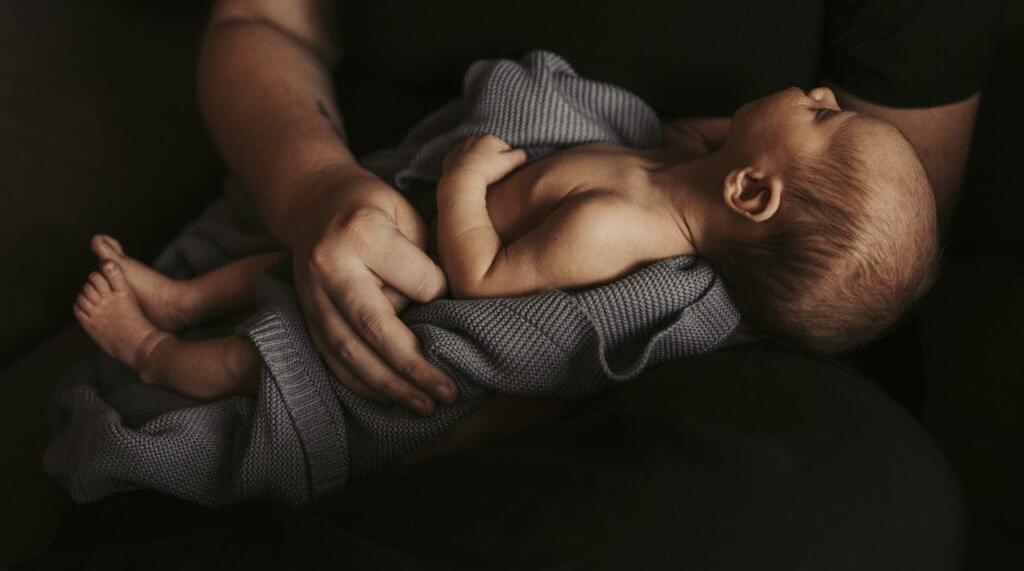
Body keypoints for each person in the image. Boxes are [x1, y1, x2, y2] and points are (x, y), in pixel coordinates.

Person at [40, 0, 1020, 568]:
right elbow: (265, 22)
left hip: (689, 359)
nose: (806, 99)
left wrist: (529, 393)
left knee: (861, 500)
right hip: (374, 229)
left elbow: (866, 254)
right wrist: (315, 194)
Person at [72, 84, 938, 403]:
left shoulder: (619, 229)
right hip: (411, 235)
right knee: (286, 265)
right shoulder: (678, 168)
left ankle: (151, 353)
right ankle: (184, 299)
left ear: (751, 191)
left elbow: (481, 280)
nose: (820, 88)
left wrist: (461, 181)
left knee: (268, 359)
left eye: (822, 116)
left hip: (434, 284)